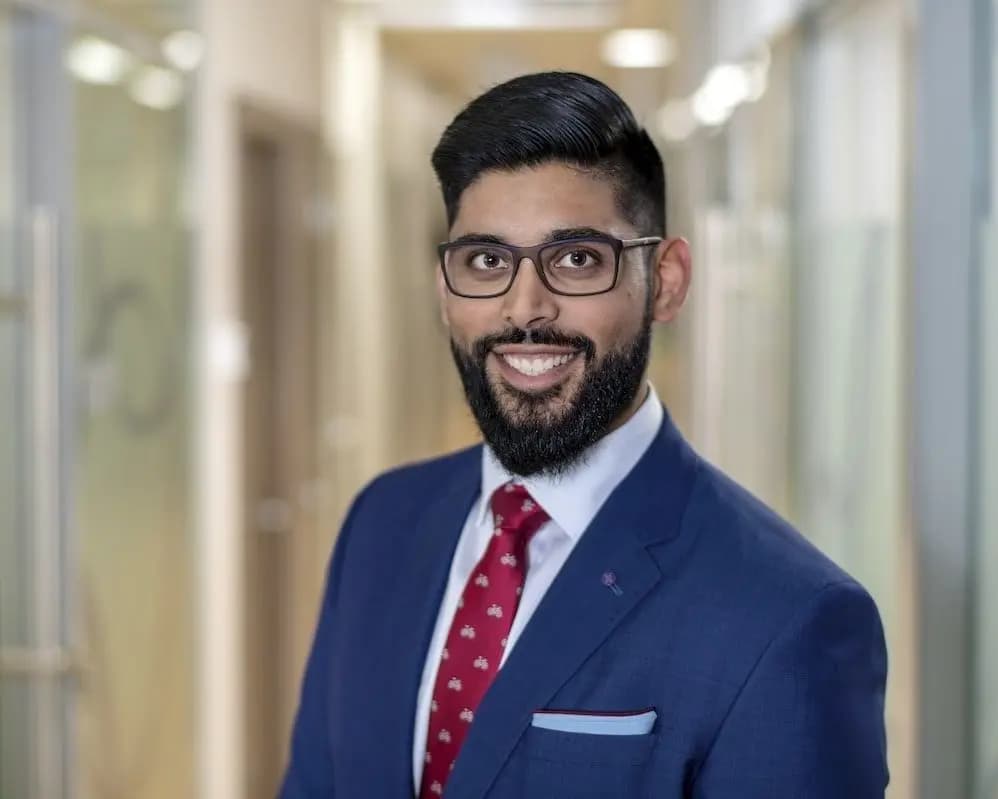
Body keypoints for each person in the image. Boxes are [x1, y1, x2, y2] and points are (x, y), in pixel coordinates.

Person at [280, 71, 888, 799]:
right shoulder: (381, 524)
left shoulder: (787, 617)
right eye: (485, 260)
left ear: (664, 280)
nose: (525, 308)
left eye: (576, 259)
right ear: (446, 290)